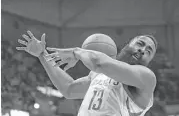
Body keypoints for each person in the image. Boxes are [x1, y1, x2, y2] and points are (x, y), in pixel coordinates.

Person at [17, 31, 157, 116]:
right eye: (140, 43)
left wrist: (76, 52)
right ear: (129, 44)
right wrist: (42, 55)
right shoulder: (100, 74)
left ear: (149, 60)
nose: (142, 50)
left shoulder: (146, 78)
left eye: (149, 51)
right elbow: (69, 89)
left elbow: (98, 62)